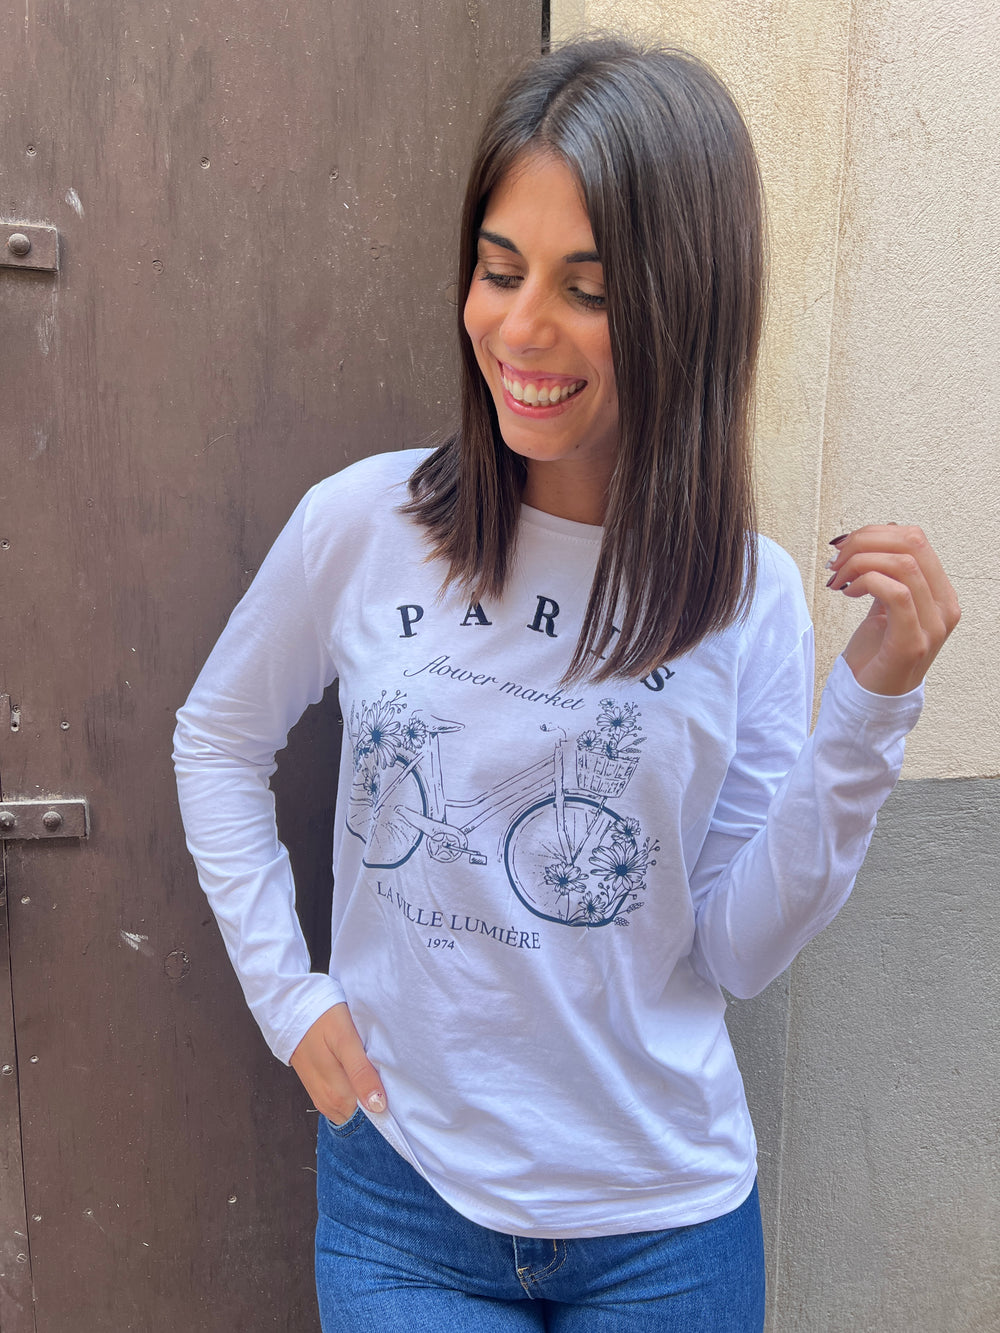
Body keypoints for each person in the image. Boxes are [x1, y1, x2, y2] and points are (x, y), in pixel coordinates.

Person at [173, 37, 959, 1333]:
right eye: (499, 271)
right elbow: (215, 740)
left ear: (687, 306)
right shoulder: (362, 526)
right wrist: (287, 996)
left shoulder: (748, 593)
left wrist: (867, 709)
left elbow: (740, 947)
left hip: (666, 1229)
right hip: (405, 1209)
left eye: (587, 289)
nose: (521, 328)